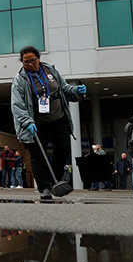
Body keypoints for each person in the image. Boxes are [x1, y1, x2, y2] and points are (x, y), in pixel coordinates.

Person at [11, 46, 87, 201]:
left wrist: (76, 92)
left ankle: (54, 181)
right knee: (38, 156)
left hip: (58, 119)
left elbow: (64, 90)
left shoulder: (51, 71)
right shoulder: (20, 80)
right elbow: (17, 105)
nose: (30, 64)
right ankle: (44, 188)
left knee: (64, 148)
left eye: (33, 60)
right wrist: (26, 121)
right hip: (36, 123)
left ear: (39, 58)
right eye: (26, 62)